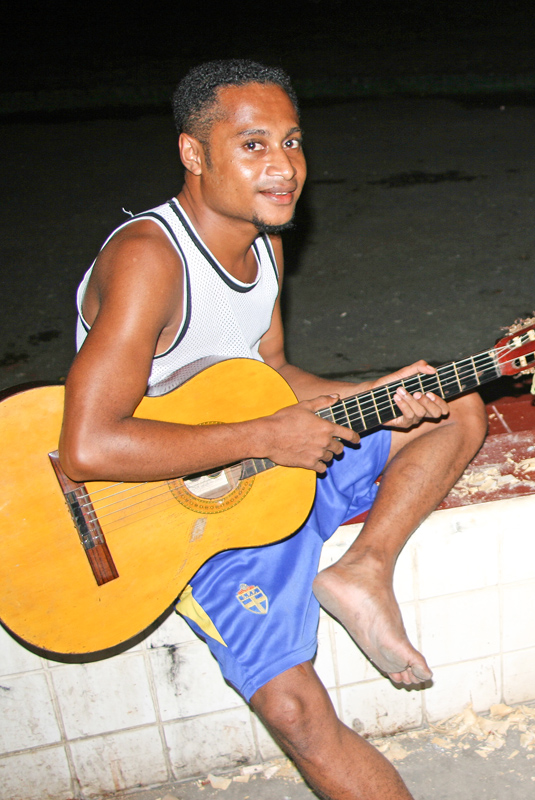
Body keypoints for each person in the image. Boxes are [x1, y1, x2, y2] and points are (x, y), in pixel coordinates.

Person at [58, 60, 487, 799]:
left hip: (273, 467)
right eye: (253, 145)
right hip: (173, 517)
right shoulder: (148, 260)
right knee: (294, 709)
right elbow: (86, 446)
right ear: (194, 154)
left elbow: (275, 374)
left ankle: (363, 569)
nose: (284, 168)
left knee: (458, 406)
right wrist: (264, 438)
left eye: (292, 142)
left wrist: (373, 395)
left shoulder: (264, 243)